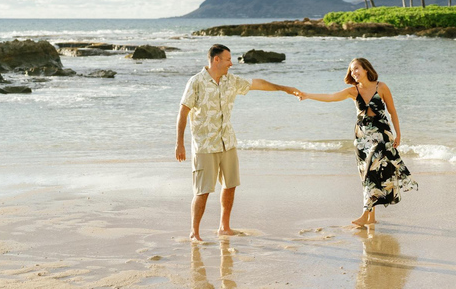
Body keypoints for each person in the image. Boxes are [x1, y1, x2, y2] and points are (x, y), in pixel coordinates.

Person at [175, 44, 299, 241]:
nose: (231, 64)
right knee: (203, 190)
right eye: (227, 59)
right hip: (205, 145)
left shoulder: (230, 81)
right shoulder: (196, 82)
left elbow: (258, 84)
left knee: (230, 185)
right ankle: (194, 232)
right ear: (216, 60)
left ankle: (224, 227)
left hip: (228, 142)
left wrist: (284, 89)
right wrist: (179, 143)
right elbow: (183, 112)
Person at [298, 58, 417, 227]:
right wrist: (308, 95)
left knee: (370, 171)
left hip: (382, 136)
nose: (354, 73)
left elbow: (392, 111)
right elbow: (331, 97)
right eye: (351, 71)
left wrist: (398, 133)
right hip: (362, 139)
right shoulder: (352, 91)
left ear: (366, 69)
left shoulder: (380, 87)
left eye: (356, 69)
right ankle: (371, 217)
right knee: (368, 175)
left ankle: (364, 214)